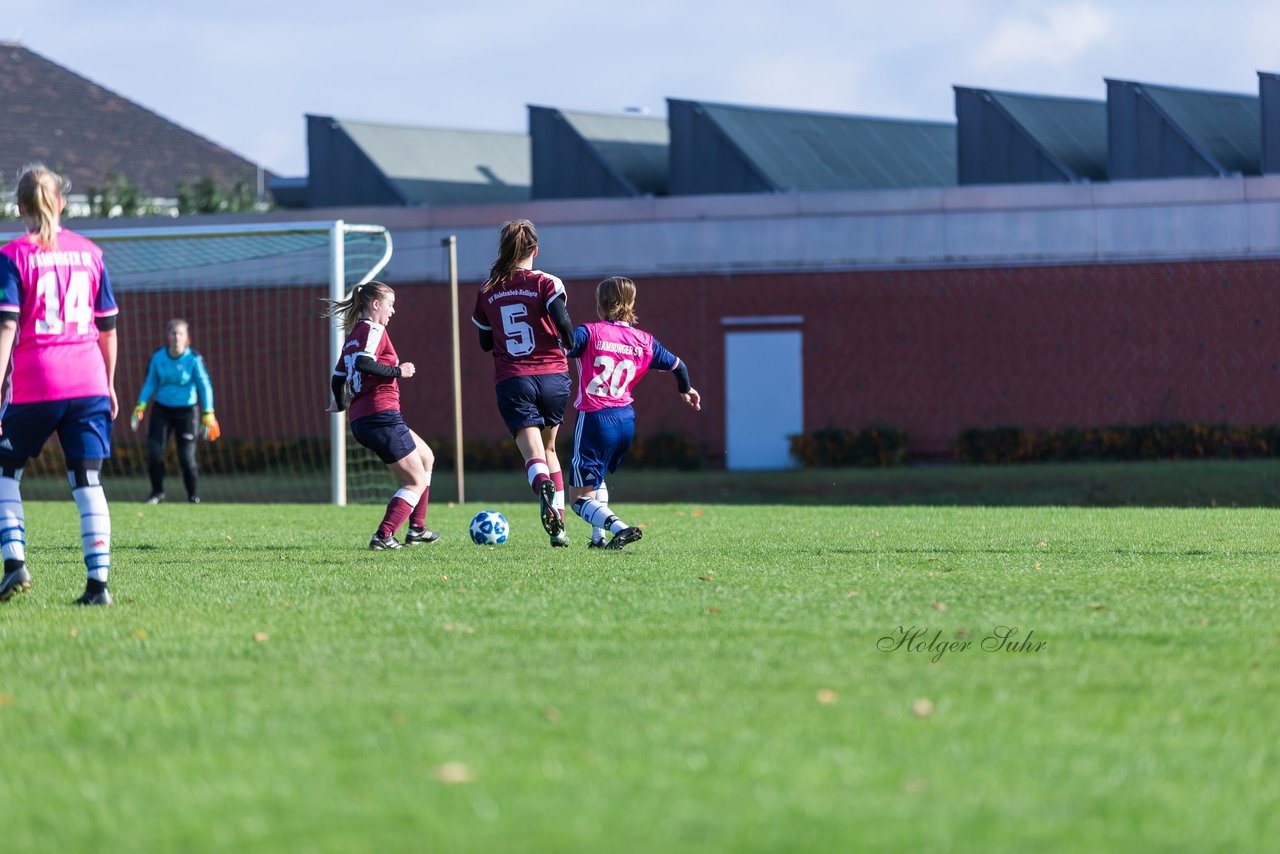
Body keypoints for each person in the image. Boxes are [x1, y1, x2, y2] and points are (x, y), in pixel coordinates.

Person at [0, 164, 119, 605]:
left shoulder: (13, 256)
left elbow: (7, 327)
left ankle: (14, 564)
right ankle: (98, 586)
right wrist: (108, 385)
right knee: (88, 481)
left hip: (38, 381)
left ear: (20, 208)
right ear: (61, 203)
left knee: (5, 471)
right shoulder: (91, 253)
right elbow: (107, 329)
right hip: (88, 380)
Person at [566, 276, 700, 549]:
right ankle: (598, 539)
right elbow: (679, 366)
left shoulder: (589, 332)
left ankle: (620, 528)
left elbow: (563, 346)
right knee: (598, 478)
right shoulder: (645, 340)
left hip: (595, 418)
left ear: (601, 302)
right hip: (625, 421)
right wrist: (685, 389)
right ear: (631, 302)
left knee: (578, 499)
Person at [472, 219, 575, 547]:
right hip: (554, 377)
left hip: (514, 379)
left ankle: (541, 482)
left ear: (503, 250)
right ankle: (558, 530)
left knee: (534, 455)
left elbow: (485, 343)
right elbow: (563, 322)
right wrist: (570, 344)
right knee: (550, 448)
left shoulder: (489, 288)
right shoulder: (547, 282)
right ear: (535, 249)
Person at [323, 281, 438, 550]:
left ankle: (417, 529)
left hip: (365, 418)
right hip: (380, 415)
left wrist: (340, 403)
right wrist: (401, 372)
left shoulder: (353, 336)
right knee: (415, 481)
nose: (393, 311)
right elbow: (364, 362)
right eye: (390, 304)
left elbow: (338, 376)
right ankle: (384, 536)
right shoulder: (374, 329)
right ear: (375, 305)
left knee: (426, 457)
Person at [130, 318, 220, 503]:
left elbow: (205, 386)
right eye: (173, 333)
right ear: (168, 336)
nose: (176, 337)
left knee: (186, 457)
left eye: (180, 333)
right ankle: (157, 493)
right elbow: (150, 383)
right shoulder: (158, 357)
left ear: (187, 338)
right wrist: (141, 406)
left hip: (187, 411)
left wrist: (208, 413)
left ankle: (192, 496)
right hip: (162, 409)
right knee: (154, 452)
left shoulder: (193, 358)